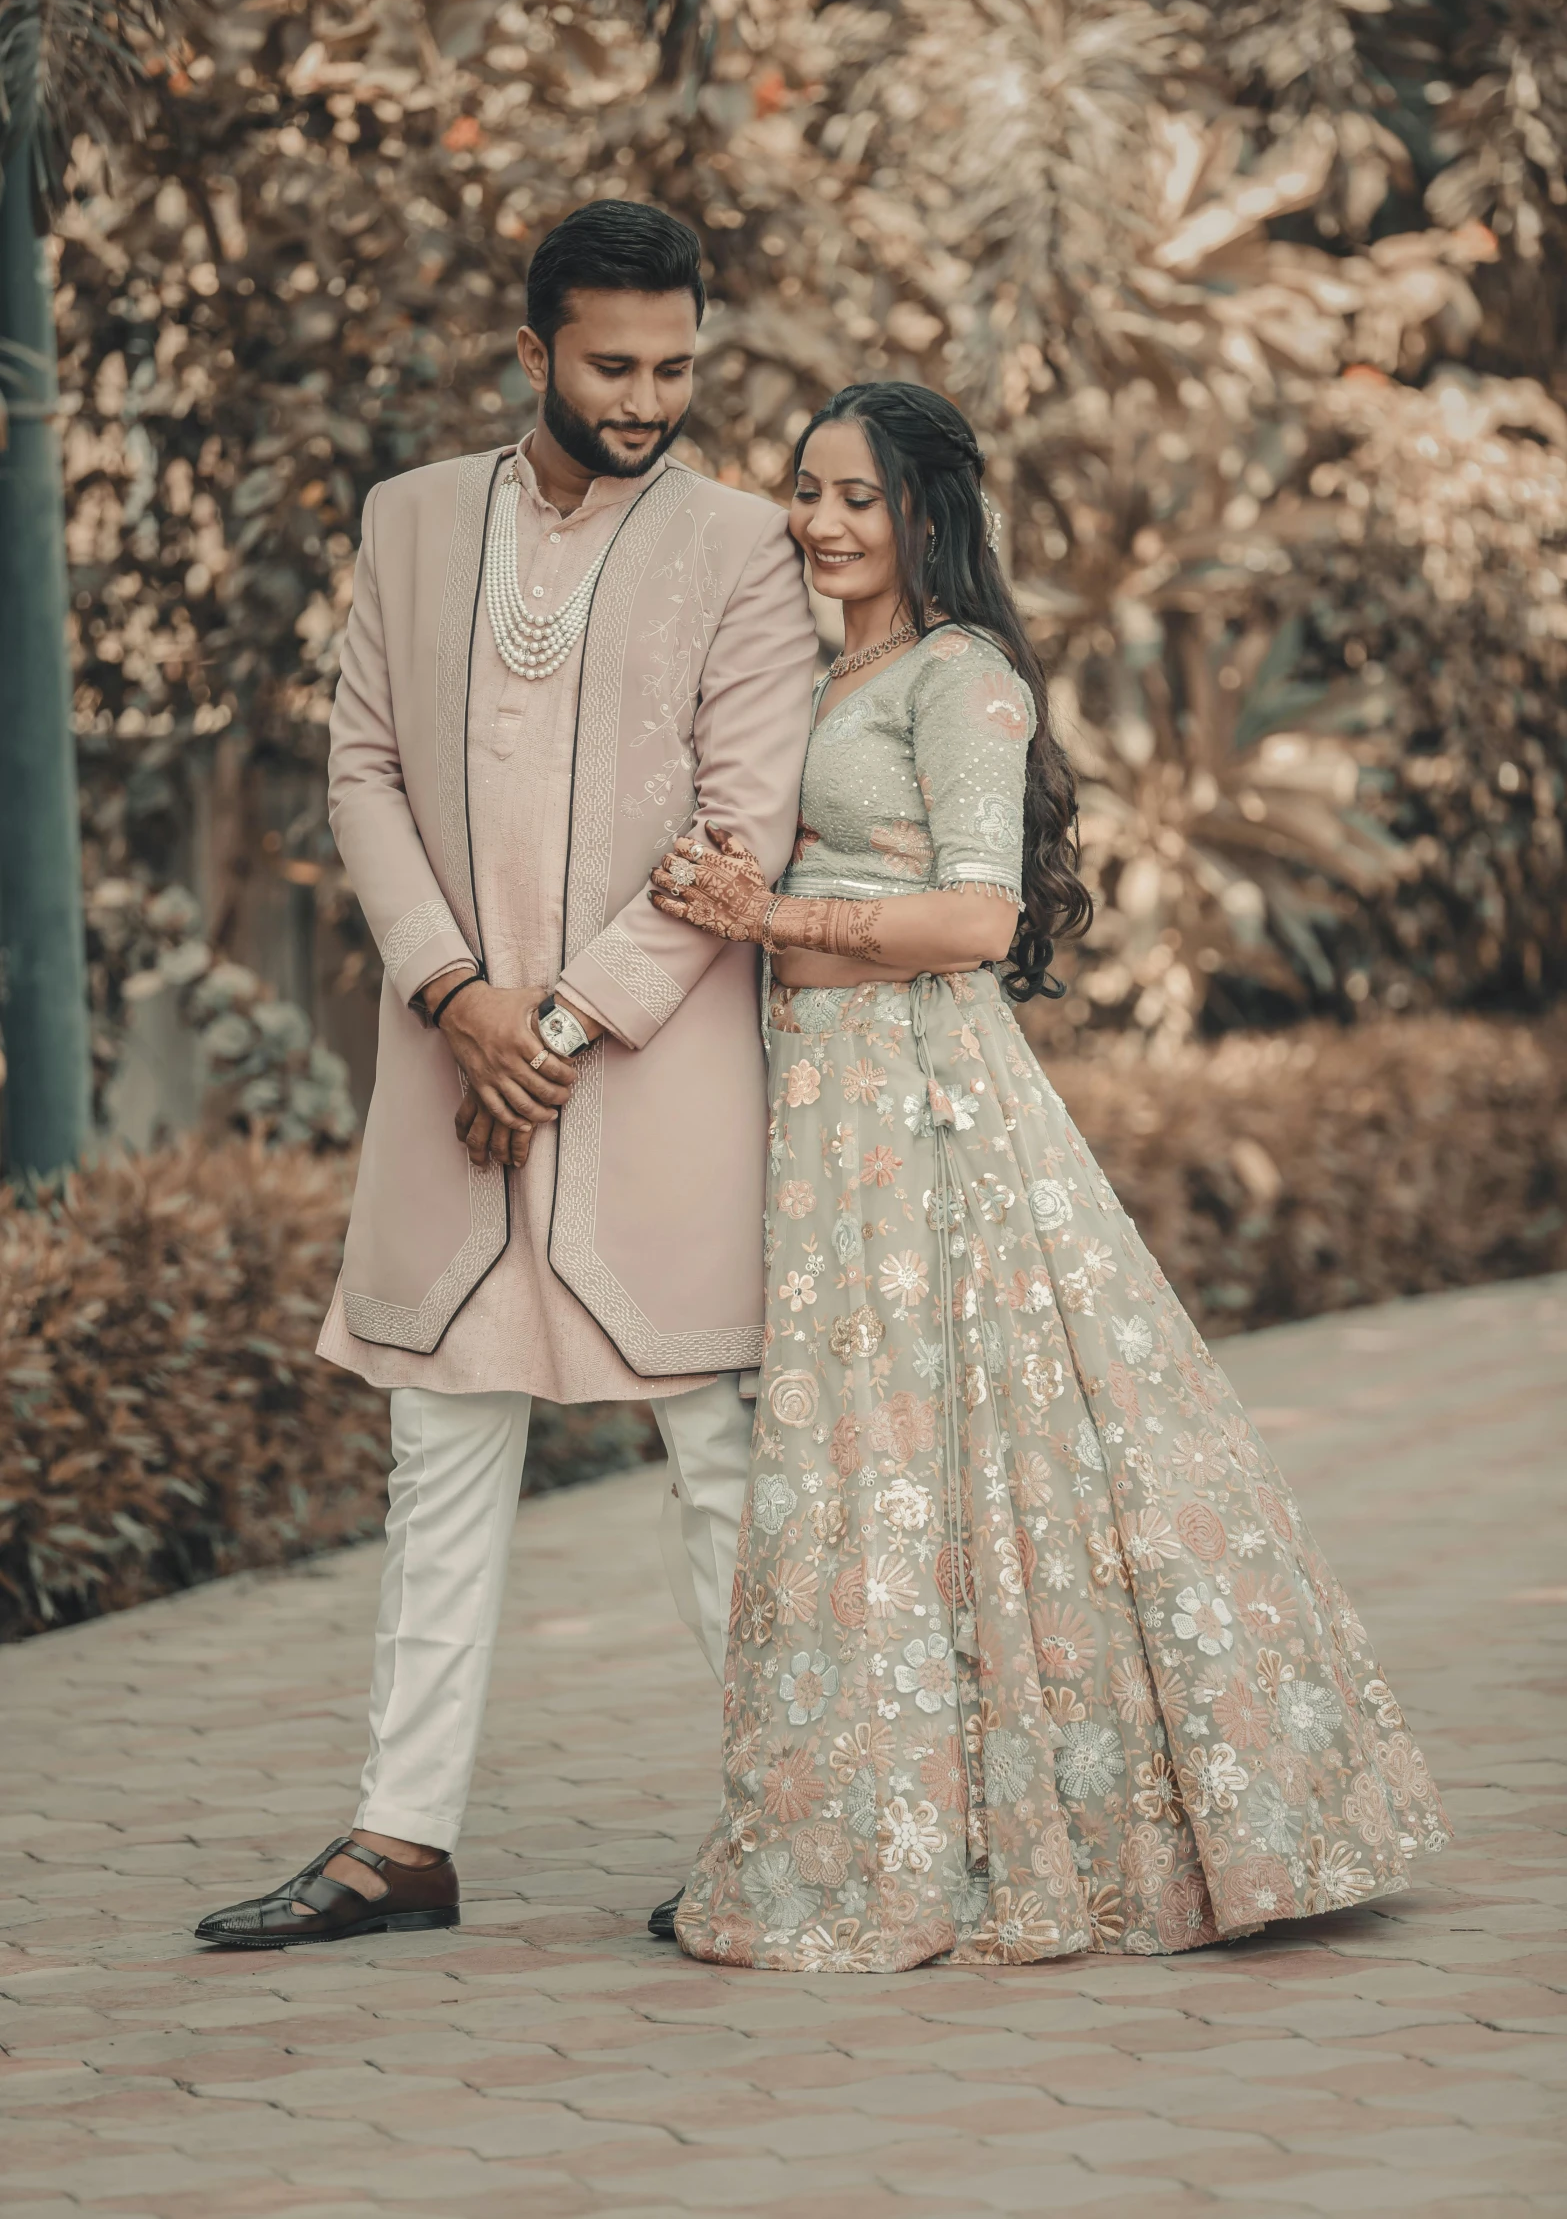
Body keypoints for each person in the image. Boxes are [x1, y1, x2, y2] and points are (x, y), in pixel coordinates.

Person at [649, 381, 1450, 1972]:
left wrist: (769, 917)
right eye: (805, 491)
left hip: (923, 1107)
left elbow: (969, 920)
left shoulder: (963, 677)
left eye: (855, 498)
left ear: (928, 511)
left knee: (973, 1453)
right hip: (837, 1115)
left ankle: (1080, 1820)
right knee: (892, 1467)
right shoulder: (846, 665)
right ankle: (897, 1814)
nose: (817, 521)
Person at [193, 201, 820, 1951]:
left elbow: (738, 824)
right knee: (439, 1439)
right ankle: (402, 1840)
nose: (649, 396)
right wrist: (454, 992)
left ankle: (781, 1828)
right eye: (614, 364)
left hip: (654, 1069)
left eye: (678, 365)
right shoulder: (405, 522)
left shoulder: (743, 546)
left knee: (718, 1454)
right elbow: (362, 770)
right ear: (530, 346)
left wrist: (550, 1032)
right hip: (445, 1051)